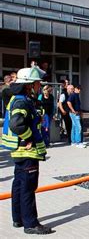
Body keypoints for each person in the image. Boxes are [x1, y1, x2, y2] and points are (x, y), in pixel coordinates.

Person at [1, 66, 54, 234]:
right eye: (37, 82)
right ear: (29, 84)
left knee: (19, 185)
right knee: (27, 188)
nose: (40, 85)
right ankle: (30, 224)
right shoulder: (22, 101)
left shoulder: (22, 98)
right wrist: (29, 137)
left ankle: (18, 219)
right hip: (27, 151)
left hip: (20, 152)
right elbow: (16, 123)